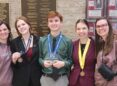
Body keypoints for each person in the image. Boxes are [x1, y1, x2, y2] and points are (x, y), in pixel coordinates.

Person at [39, 11, 73, 86]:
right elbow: (40, 58)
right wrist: (43, 63)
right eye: (51, 21)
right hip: (46, 78)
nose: (53, 23)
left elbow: (71, 60)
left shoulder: (68, 41)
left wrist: (63, 63)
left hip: (61, 79)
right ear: (48, 24)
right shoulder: (42, 40)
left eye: (56, 20)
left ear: (61, 23)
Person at [11, 16, 42, 86]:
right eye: (18, 26)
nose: (21, 27)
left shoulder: (39, 40)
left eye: (23, 24)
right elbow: (13, 65)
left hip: (36, 79)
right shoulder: (14, 43)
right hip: (20, 80)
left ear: (29, 25)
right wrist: (14, 60)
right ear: (17, 29)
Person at [69, 19, 96, 86]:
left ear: (88, 29)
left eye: (84, 28)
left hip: (90, 80)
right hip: (74, 80)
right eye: (78, 29)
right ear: (76, 30)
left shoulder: (95, 45)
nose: (81, 31)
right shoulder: (73, 44)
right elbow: (69, 61)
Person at [95, 17, 117, 86]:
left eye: (103, 25)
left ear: (109, 27)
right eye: (98, 26)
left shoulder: (115, 44)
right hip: (100, 83)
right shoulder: (100, 45)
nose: (100, 28)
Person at [0, 20, 13, 86]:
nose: (3, 32)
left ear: (9, 30)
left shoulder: (13, 45)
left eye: (5, 29)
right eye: (0, 30)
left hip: (14, 83)